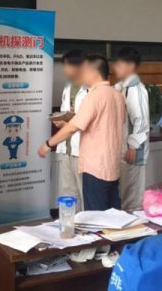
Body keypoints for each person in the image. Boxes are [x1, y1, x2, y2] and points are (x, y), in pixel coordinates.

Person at [39, 55, 126, 211]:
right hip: (112, 164)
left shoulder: (94, 95)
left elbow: (73, 127)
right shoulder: (117, 95)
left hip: (95, 167)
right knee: (112, 213)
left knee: (95, 215)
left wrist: (48, 144)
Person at [113, 47, 150, 211]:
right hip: (121, 148)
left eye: (119, 65)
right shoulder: (120, 87)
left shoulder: (136, 89)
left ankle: (135, 225)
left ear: (130, 66)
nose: (116, 68)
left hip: (133, 150)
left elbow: (141, 120)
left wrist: (133, 146)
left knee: (132, 197)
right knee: (123, 194)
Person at [54, 50, 88, 210]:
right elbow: (65, 110)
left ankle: (85, 223)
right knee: (67, 191)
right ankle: (69, 222)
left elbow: (90, 119)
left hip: (82, 148)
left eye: (68, 65)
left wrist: (68, 123)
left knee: (83, 191)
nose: (65, 69)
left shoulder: (90, 89)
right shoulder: (68, 87)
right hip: (66, 146)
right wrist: (61, 120)